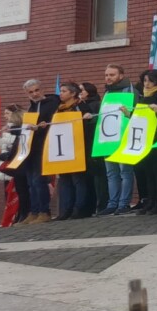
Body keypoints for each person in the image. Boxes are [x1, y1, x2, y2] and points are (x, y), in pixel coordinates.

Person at [96, 65, 136, 216]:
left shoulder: (130, 91)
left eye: (112, 75)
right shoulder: (107, 92)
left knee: (125, 172)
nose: (108, 78)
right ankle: (112, 203)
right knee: (111, 173)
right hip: (108, 138)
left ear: (121, 75)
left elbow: (135, 113)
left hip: (123, 137)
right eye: (106, 75)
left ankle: (123, 203)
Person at [19, 78, 60, 224]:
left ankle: (44, 211)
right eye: (31, 92)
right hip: (31, 147)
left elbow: (57, 121)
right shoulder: (30, 108)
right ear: (27, 94)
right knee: (31, 182)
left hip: (44, 146)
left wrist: (44, 126)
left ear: (42, 90)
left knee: (39, 180)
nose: (34, 94)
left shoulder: (53, 103)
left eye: (37, 90)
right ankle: (34, 211)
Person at [52, 81, 92, 220]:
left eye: (64, 91)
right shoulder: (59, 108)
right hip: (63, 148)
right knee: (64, 180)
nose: (61, 94)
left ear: (73, 93)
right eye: (61, 91)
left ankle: (79, 209)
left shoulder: (80, 106)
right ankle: (65, 210)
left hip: (78, 147)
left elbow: (89, 126)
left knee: (78, 179)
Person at [133, 69, 157, 216]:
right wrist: (129, 114)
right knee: (148, 172)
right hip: (145, 138)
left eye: (150, 81)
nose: (147, 84)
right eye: (145, 81)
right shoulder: (143, 97)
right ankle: (150, 201)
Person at [80, 82, 108, 214]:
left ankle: (101, 203)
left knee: (99, 176)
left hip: (95, 143)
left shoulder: (95, 104)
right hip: (87, 144)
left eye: (82, 90)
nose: (80, 93)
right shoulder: (82, 105)